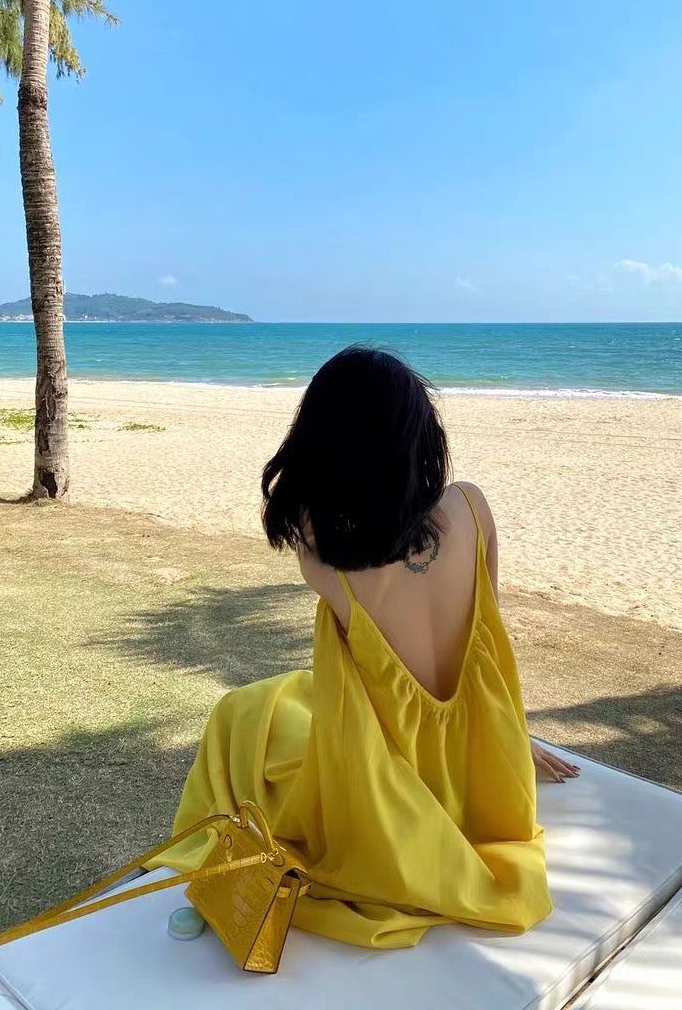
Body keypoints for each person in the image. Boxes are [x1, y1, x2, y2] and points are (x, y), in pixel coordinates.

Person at [159, 346, 578, 949]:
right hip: (484, 785)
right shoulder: (472, 508)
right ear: (421, 437)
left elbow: (310, 509)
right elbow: (482, 653)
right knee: (279, 697)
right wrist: (512, 738)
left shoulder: (326, 560)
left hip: (396, 801)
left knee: (240, 714)